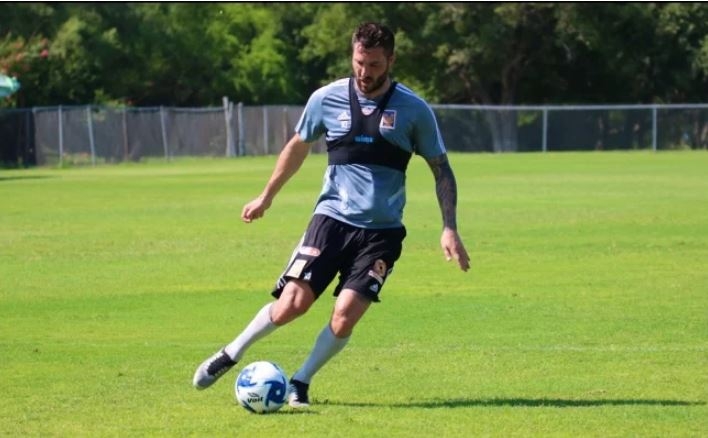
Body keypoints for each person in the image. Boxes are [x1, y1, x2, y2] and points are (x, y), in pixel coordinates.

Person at [192, 21, 470, 408]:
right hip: (331, 220)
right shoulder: (327, 98)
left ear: (390, 60)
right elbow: (298, 145)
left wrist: (449, 228)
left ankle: (299, 382)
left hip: (382, 233)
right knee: (293, 303)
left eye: (374, 64)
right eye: (359, 62)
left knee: (344, 316)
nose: (364, 72)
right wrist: (266, 196)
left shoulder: (414, 110)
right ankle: (231, 352)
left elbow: (441, 168)